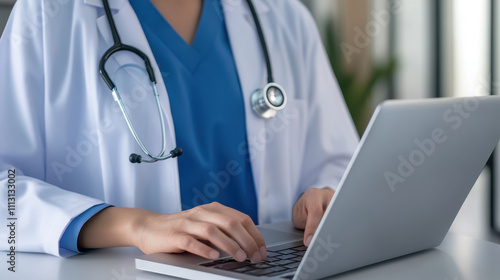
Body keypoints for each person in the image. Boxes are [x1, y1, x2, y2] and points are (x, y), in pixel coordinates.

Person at [0, 0, 358, 264]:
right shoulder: (49, 15)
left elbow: (339, 162)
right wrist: (137, 226)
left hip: (265, 267)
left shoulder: (285, 16)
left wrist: (327, 196)